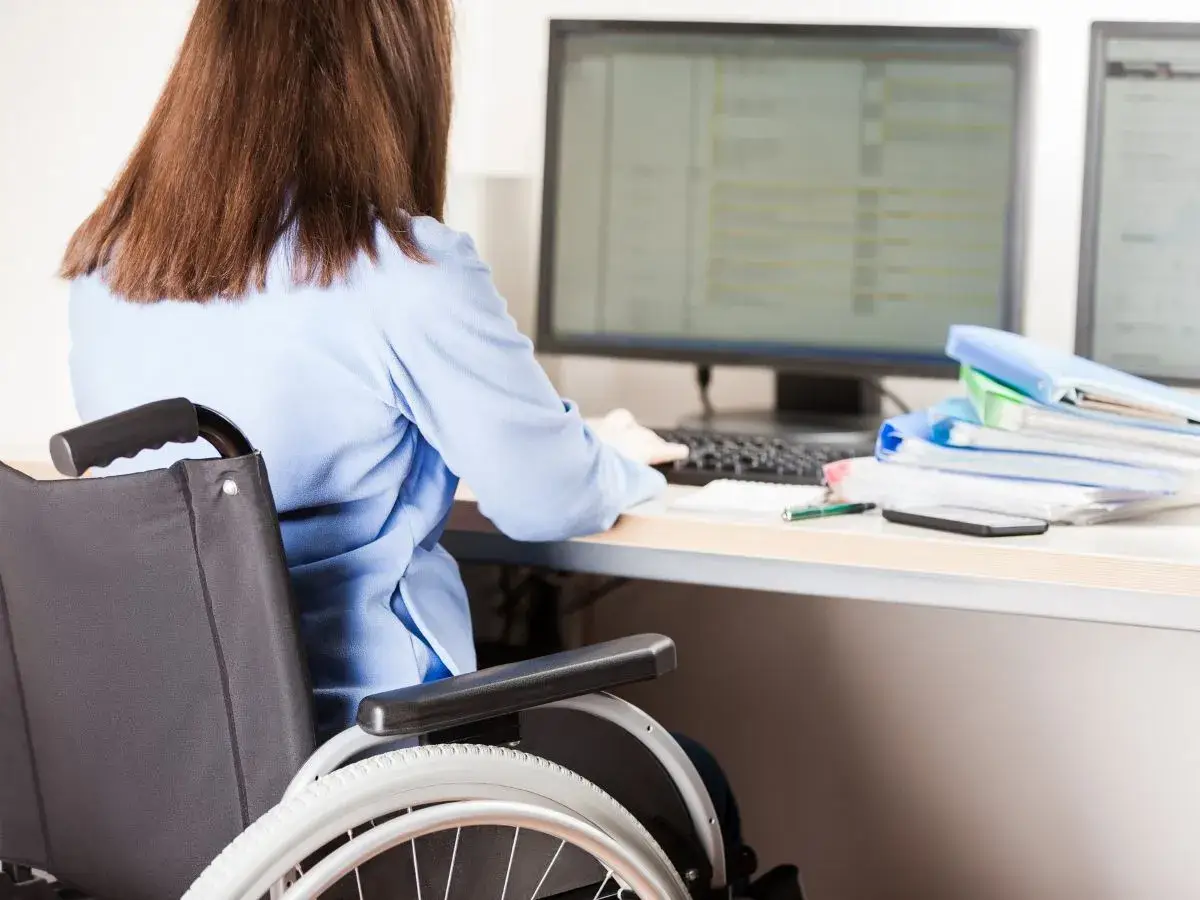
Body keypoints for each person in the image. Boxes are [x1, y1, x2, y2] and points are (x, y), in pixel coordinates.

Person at [61, 3, 802, 898]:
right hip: (370, 770)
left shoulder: (108, 271)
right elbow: (549, 502)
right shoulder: (399, 269)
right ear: (397, 72)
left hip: (179, 783)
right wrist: (621, 454)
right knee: (697, 779)